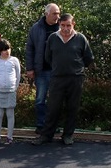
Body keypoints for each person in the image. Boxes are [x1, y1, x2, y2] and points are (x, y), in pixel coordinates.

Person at [32, 14, 94, 146]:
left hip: (75, 79)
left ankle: (67, 135)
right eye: (63, 25)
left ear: (73, 25)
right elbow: (48, 57)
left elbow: (88, 58)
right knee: (53, 108)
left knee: (72, 108)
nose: (66, 29)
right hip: (57, 78)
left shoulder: (80, 38)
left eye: (69, 26)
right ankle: (46, 136)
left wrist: (76, 68)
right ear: (59, 24)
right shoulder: (53, 38)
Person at [24, 3, 61, 134]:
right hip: (42, 70)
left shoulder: (61, 28)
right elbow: (30, 49)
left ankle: (52, 125)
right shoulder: (36, 28)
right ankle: (41, 125)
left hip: (58, 71)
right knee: (40, 99)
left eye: (58, 13)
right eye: (54, 14)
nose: (57, 16)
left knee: (55, 100)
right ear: (46, 14)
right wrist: (30, 68)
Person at [0, 39, 21, 145]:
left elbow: (18, 75)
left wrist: (14, 87)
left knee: (10, 114)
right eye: (3, 50)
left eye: (8, 49)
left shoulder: (14, 60)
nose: (6, 51)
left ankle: (9, 137)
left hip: (11, 90)